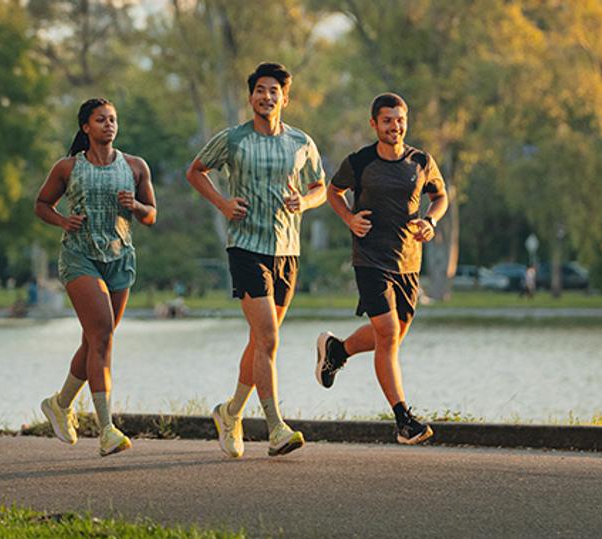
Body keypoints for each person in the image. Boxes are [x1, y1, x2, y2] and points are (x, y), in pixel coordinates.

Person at [186, 62, 327, 458]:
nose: (267, 97)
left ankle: (229, 412)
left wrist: (306, 200)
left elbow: (320, 186)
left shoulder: (301, 142)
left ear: (285, 98)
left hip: (287, 250)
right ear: (251, 97)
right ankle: (275, 427)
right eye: (260, 90)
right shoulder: (233, 139)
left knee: (259, 340)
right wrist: (222, 203)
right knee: (268, 337)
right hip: (246, 246)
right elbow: (195, 171)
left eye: (274, 91)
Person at [314, 92, 447, 445]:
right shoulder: (359, 162)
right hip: (370, 259)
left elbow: (440, 196)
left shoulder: (421, 161)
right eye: (387, 120)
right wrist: (348, 218)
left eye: (400, 119)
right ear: (374, 124)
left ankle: (337, 351)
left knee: (392, 336)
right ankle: (404, 420)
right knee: (388, 333)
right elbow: (333, 191)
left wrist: (431, 221)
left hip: (408, 262)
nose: (395, 126)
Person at [33, 98, 157, 457]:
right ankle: (107, 430)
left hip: (120, 258)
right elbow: (42, 204)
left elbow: (151, 216)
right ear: (86, 127)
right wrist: (62, 220)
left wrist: (136, 206)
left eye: (113, 119)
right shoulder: (67, 167)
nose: (109, 124)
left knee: (95, 341)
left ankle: (60, 404)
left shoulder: (135, 166)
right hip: (80, 257)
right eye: (101, 119)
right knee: (101, 333)